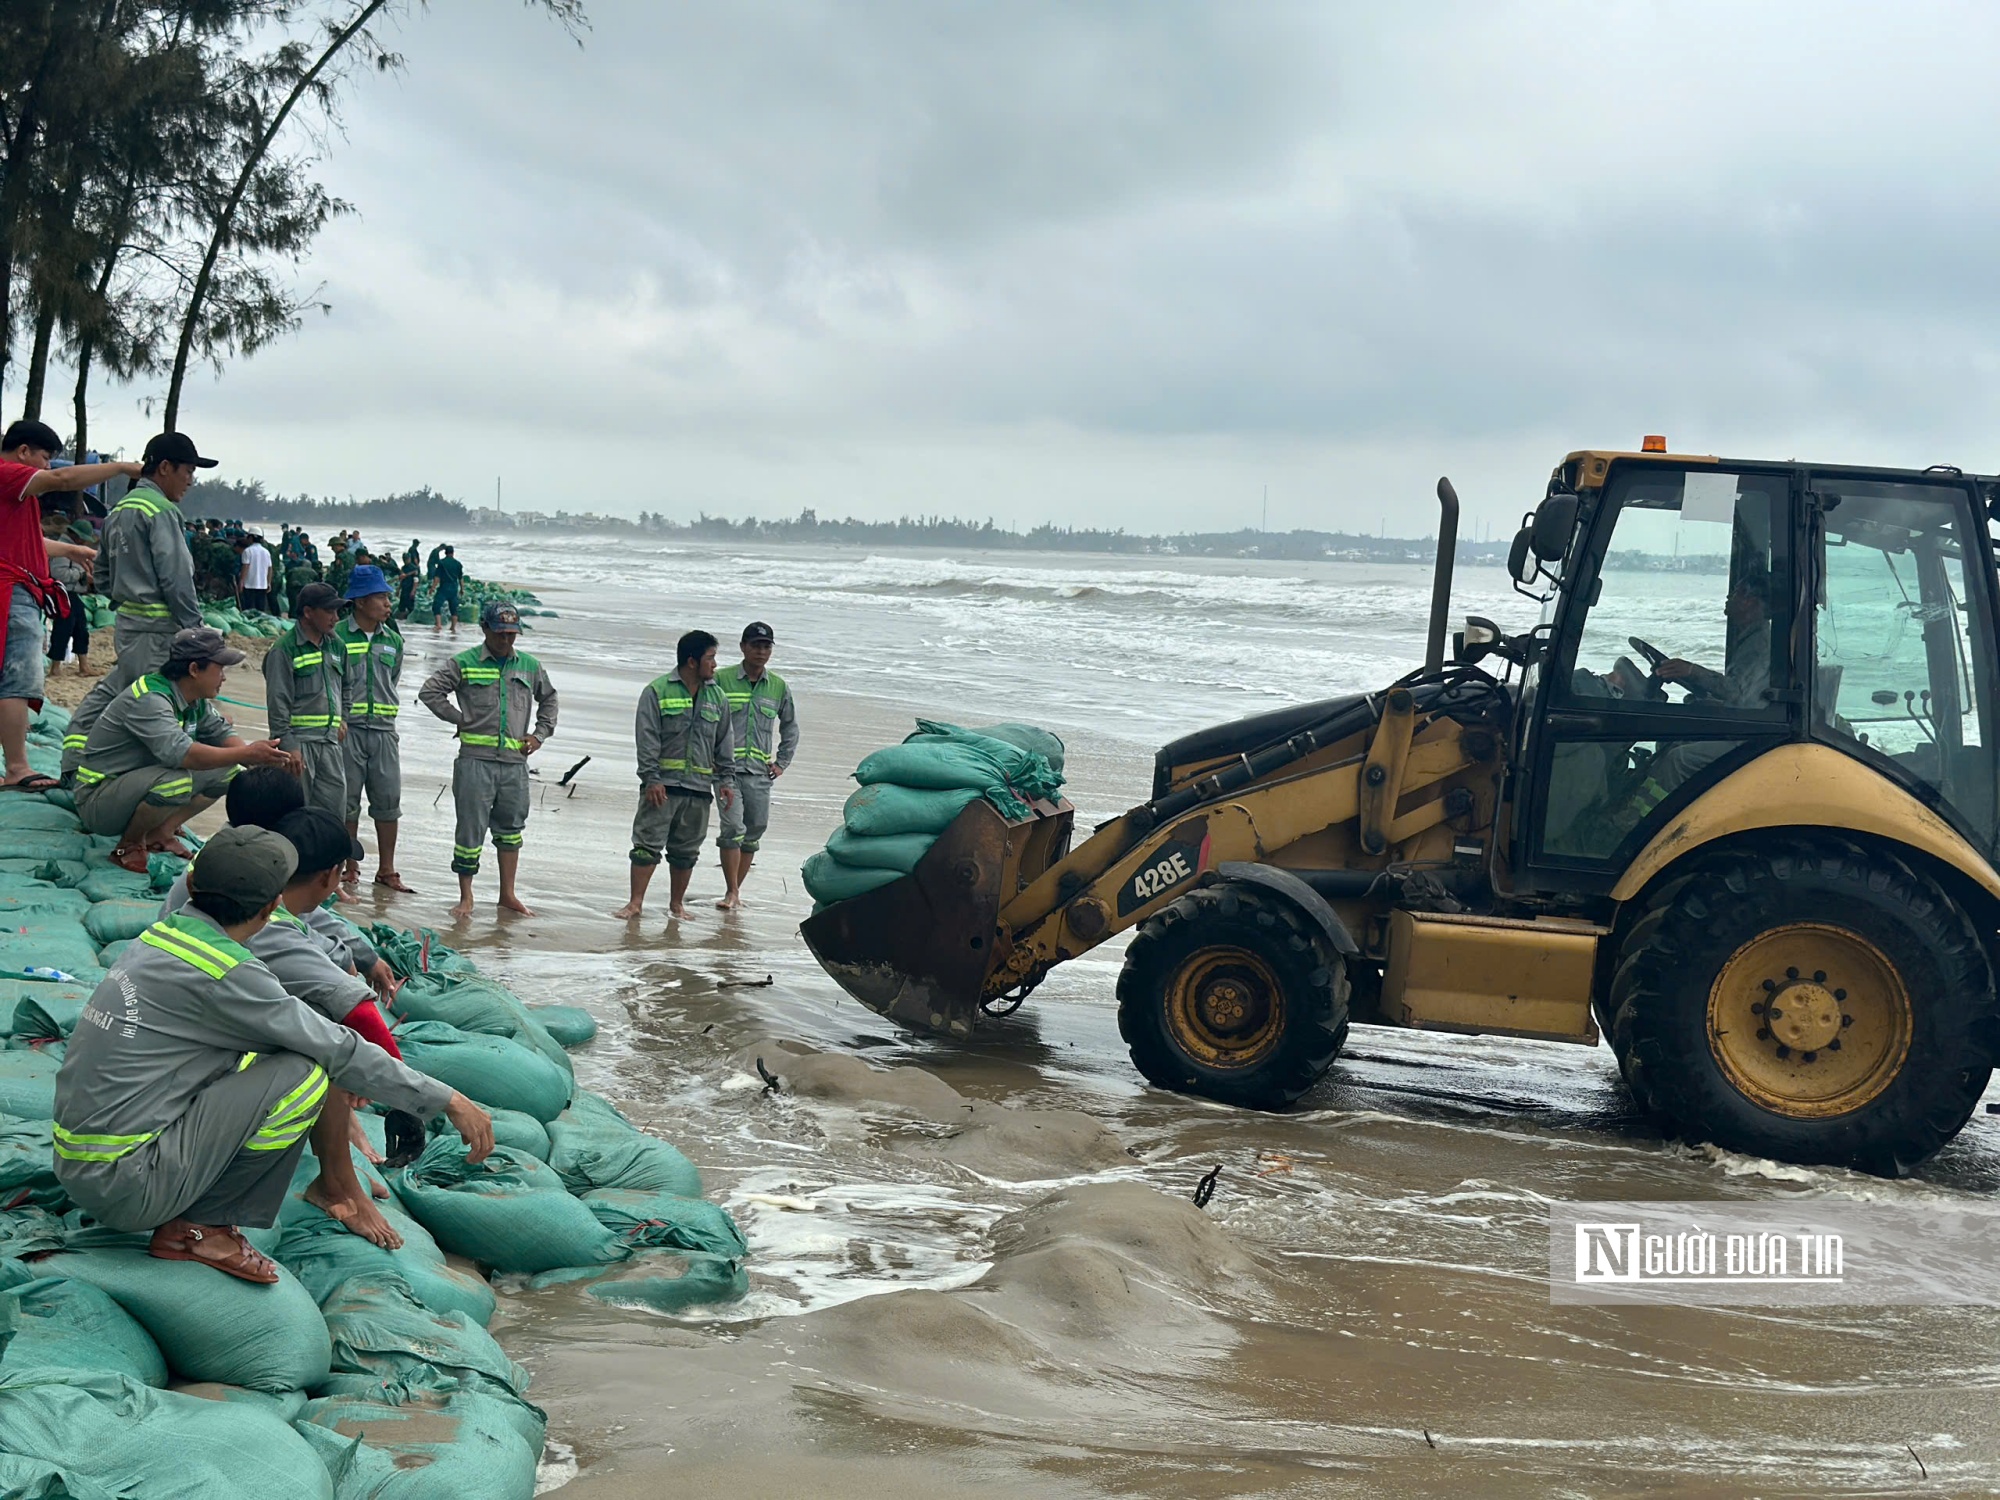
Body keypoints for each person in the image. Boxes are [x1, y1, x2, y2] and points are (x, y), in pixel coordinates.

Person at [53, 825, 493, 1283]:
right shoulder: (227, 973)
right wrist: (447, 1100)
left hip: (83, 1166)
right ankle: (202, 1228)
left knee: (277, 1050)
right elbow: (336, 1047)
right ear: (271, 907)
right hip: (128, 1184)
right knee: (306, 1072)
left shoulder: (162, 937)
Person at [72, 626, 295, 870]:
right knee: (176, 781)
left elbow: (221, 733)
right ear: (193, 669)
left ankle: (161, 832)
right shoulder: (150, 699)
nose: (224, 677)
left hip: (134, 784)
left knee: (231, 772)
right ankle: (130, 844)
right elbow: (183, 754)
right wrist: (247, 753)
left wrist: (258, 757)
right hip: (99, 797)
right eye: (219, 668)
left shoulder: (193, 699)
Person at [60, 431, 214, 782]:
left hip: (128, 626)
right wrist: (197, 631)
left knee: (114, 692)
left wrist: (126, 599)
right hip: (158, 634)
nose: (190, 480)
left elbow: (101, 572)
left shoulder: (119, 511)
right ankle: (130, 782)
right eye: (187, 470)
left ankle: (73, 763)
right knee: (153, 705)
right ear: (164, 468)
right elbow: (177, 578)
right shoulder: (162, 511)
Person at [0, 420, 129, 791]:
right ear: (23, 451)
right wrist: (121, 468)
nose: (46, 468)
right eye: (44, 458)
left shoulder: (14, 494)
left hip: (19, 589)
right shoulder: (8, 473)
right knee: (16, 681)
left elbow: (26, 542)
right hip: (12, 594)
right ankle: (18, 768)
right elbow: (62, 480)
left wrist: (71, 549)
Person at [418, 600, 557, 918]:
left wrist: (539, 735)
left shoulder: (529, 666)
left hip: (514, 764)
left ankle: (507, 894)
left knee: (511, 830)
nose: (506, 641)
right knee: (470, 831)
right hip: (474, 762)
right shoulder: (464, 663)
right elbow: (430, 692)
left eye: (512, 635)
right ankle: (466, 897)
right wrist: (459, 717)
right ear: (485, 630)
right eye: (500, 634)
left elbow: (549, 698)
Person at [615, 629, 732, 921]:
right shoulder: (657, 691)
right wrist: (651, 778)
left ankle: (677, 905)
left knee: (686, 852)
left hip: (698, 790)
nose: (715, 665)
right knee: (646, 846)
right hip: (662, 787)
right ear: (692, 662)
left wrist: (727, 782)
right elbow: (647, 739)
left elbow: (724, 742)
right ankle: (635, 903)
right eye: (711, 658)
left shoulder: (717, 697)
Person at [334, 564, 413, 893]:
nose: (387, 603)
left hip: (383, 732)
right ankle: (350, 866)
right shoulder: (336, 636)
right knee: (348, 801)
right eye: (381, 597)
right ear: (361, 601)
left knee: (388, 801)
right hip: (347, 732)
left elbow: (391, 680)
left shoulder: (393, 640)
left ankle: (387, 869)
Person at [713, 621, 799, 910]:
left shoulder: (777, 686)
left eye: (766, 646)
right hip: (726, 770)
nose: (761, 651)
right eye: (755, 645)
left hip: (760, 772)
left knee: (754, 830)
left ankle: (735, 890)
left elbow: (790, 727)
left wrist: (782, 762)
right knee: (732, 827)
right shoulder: (721, 679)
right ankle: (731, 891)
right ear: (743, 647)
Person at [265, 581, 348, 820]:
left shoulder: (337, 646)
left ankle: (332, 859)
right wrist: (289, 746)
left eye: (337, 611)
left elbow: (348, 688)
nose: (335, 617)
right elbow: (277, 703)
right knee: (296, 815)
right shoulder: (284, 649)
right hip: (300, 745)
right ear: (308, 612)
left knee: (332, 817)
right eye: (329, 611)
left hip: (330, 744)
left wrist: (344, 718)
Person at [41, 508, 97, 677]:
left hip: (73, 594)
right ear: (77, 537)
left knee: (80, 628)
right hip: (63, 593)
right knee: (63, 628)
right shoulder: (64, 550)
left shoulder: (73, 549)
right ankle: (56, 667)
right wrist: (81, 576)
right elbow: (58, 573)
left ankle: (83, 666)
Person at [430, 544, 463, 635]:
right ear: (453, 553)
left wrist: (432, 588)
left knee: (436, 605)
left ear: (445, 553)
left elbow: (437, 577)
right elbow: (460, 578)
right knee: (453, 608)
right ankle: (453, 627)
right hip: (454, 588)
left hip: (443, 588)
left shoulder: (441, 563)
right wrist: (462, 589)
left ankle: (439, 624)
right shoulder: (458, 564)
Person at [237, 532, 274, 614]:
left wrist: (241, 581)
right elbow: (270, 568)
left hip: (249, 584)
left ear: (251, 538)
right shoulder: (266, 552)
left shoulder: (247, 551)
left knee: (248, 609)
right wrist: (268, 582)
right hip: (262, 585)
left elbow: (245, 567)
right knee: (260, 609)